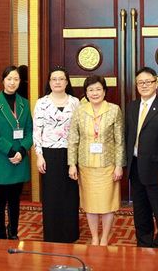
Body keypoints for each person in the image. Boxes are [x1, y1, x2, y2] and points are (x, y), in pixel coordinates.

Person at [125, 67, 158, 248]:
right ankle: (144, 243)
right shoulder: (132, 107)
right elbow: (128, 136)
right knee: (140, 211)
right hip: (135, 167)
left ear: (156, 83)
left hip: (157, 170)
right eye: (140, 82)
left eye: (148, 82)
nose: (144, 85)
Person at [68, 75, 124, 246]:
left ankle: (104, 238)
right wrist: (72, 164)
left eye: (98, 89)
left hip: (108, 165)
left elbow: (119, 140)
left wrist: (119, 165)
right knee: (90, 204)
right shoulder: (79, 110)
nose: (95, 93)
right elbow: (73, 139)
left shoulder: (114, 110)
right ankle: (94, 237)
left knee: (107, 203)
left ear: (104, 91)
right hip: (86, 165)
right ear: (86, 93)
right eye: (90, 90)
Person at [33, 66, 80, 243]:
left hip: (71, 153)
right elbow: (37, 131)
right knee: (51, 194)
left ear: (67, 82)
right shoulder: (42, 103)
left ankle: (70, 233)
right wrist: (39, 156)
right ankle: (53, 233)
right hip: (49, 153)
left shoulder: (75, 102)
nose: (58, 82)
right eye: (54, 79)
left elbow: (79, 129)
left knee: (70, 194)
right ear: (49, 82)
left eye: (61, 79)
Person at [0, 65, 33, 240]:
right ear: (3, 80)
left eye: (16, 79)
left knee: (15, 200)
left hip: (20, 158)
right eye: (9, 79)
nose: (12, 82)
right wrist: (10, 151)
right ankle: (1, 234)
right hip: (1, 159)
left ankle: (13, 232)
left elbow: (30, 131)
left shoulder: (25, 103)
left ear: (20, 81)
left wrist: (22, 150)